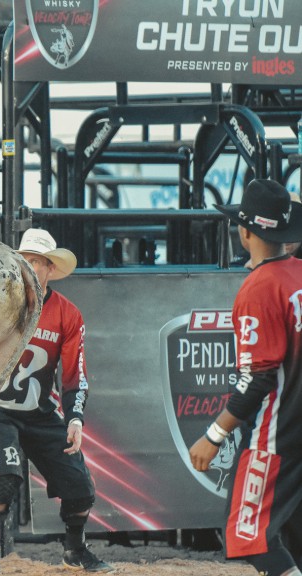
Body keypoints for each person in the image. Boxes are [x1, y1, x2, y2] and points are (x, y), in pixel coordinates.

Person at [0, 228, 114, 574]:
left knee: (80, 489)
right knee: (2, 483)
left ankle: (75, 551)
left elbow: (75, 374)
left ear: (51, 268)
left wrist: (76, 418)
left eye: (39, 262)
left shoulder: (68, 314)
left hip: (41, 411)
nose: (32, 267)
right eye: (27, 260)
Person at [189, 179, 302, 576]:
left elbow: (258, 379)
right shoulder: (297, 276)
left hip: (277, 430)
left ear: (245, 231)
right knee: (289, 533)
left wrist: (213, 436)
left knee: (249, 531)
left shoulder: (260, 287)